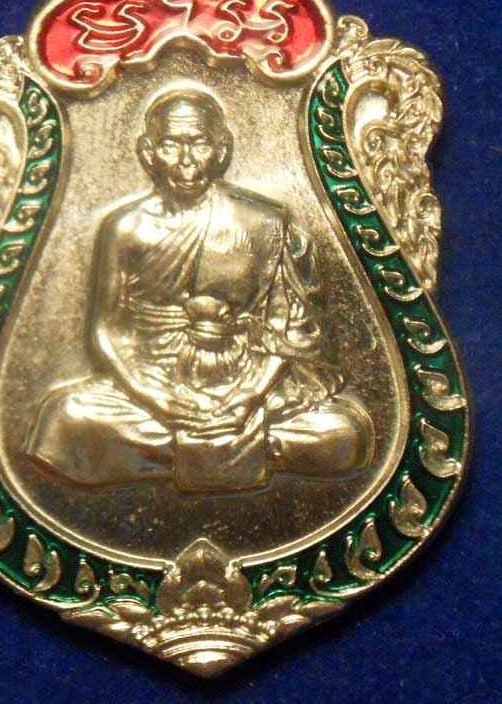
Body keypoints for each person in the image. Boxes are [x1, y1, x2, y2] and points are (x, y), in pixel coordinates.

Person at [25, 86, 374, 492]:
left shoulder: (263, 222)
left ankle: (165, 455)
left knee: (343, 433)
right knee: (66, 420)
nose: (186, 160)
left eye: (199, 144)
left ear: (221, 149)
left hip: (250, 384)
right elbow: (106, 330)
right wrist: (155, 397)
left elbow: (290, 333)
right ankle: (231, 450)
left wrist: (250, 395)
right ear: (148, 151)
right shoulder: (125, 228)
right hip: (153, 383)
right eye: (171, 145)